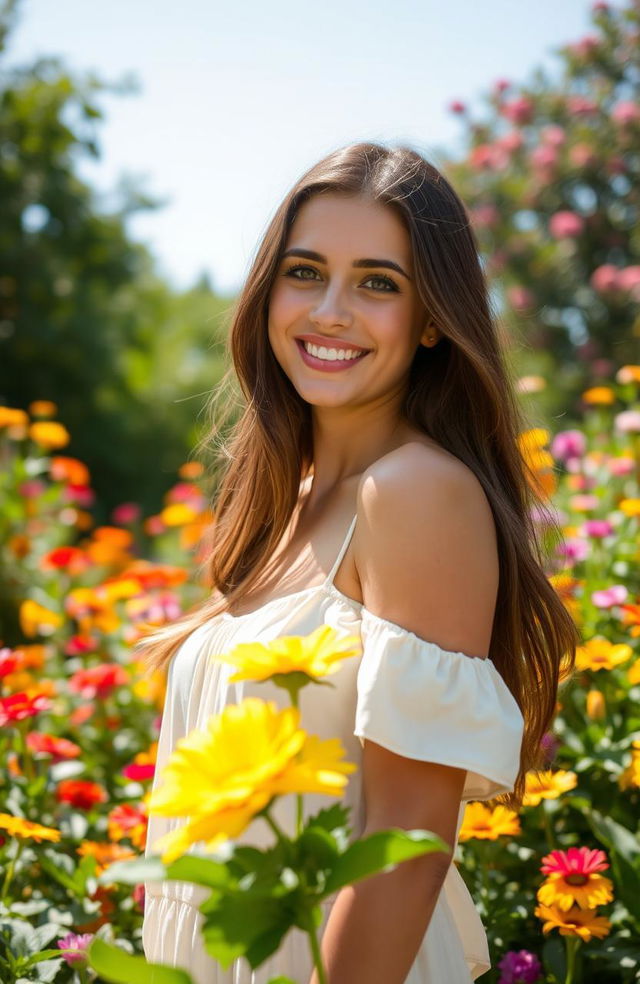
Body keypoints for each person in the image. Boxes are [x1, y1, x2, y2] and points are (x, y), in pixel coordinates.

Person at [139, 141, 579, 983]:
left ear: (432, 318)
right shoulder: (287, 501)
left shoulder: (416, 493)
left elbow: (405, 845)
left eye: (378, 283)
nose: (329, 311)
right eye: (305, 272)